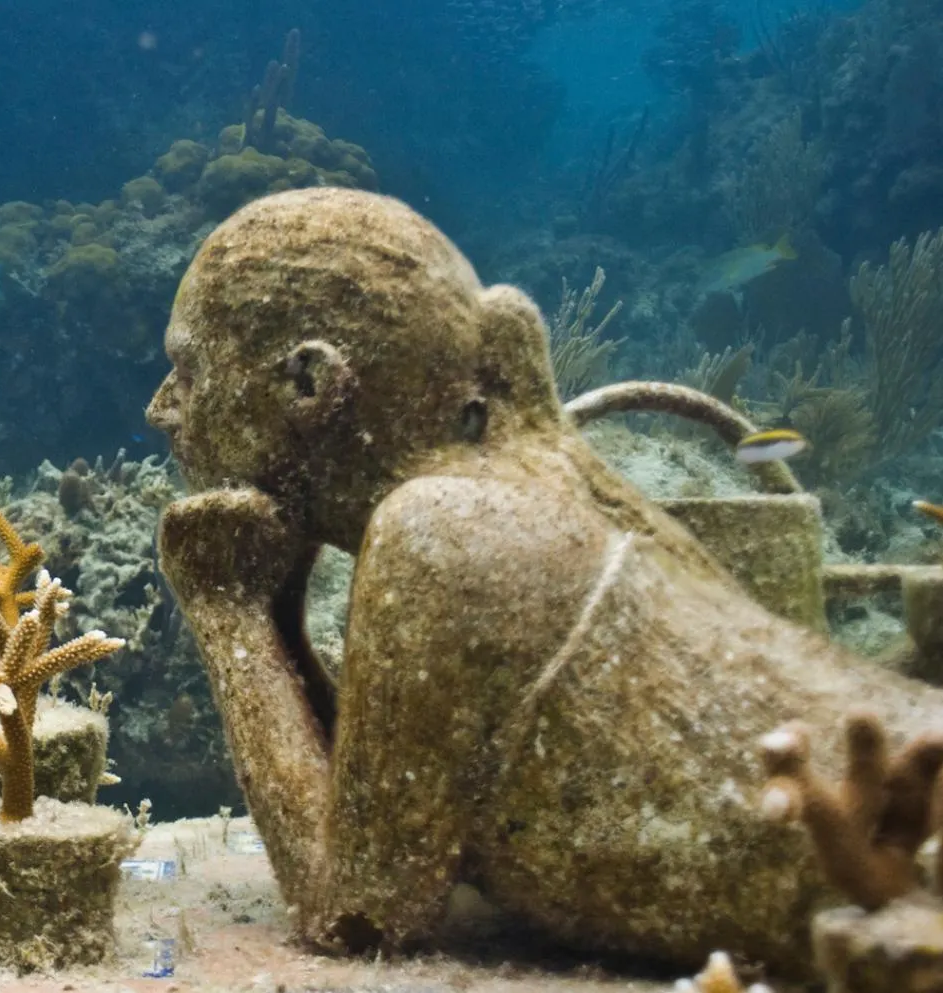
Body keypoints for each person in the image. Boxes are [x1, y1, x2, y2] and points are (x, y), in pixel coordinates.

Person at [146, 188, 940, 975]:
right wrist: (276, 600)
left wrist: (226, 610)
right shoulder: (535, 478)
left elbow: (356, 910)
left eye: (186, 368)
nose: (161, 407)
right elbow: (389, 812)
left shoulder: (439, 528)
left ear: (309, 384)